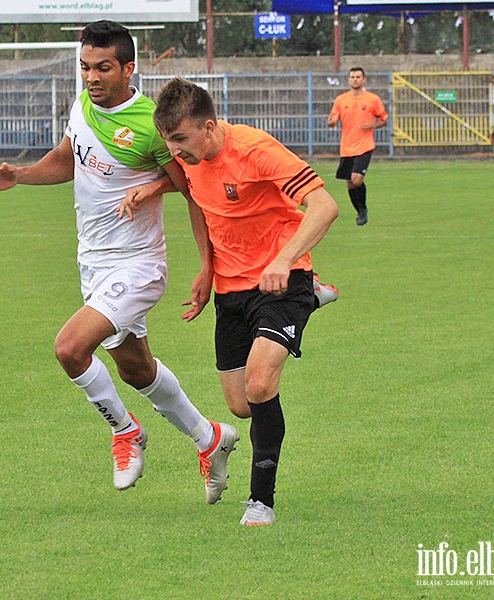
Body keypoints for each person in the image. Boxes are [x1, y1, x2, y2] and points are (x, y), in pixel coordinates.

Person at [0, 21, 238, 503]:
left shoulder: (149, 124)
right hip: (93, 261)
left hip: (138, 264)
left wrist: (207, 264)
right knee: (136, 371)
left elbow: (194, 189)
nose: (91, 77)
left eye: (102, 68)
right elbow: (67, 159)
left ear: (127, 68)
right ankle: (210, 439)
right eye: (84, 67)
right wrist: (22, 175)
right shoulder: (82, 106)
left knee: (70, 349)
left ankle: (125, 431)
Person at [127, 78, 339, 526]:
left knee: (261, 385)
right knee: (241, 404)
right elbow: (200, 202)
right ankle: (313, 301)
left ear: (209, 126)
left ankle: (261, 501)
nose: (175, 152)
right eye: (168, 142)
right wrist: (206, 267)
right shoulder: (190, 158)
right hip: (230, 288)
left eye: (181, 140)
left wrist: (284, 260)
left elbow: (323, 206)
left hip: (281, 280)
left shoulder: (256, 149)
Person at [327, 67, 388, 226]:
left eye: (358, 77)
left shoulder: (372, 99)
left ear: (364, 79)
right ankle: (360, 211)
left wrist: (374, 125)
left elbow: (383, 119)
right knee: (349, 183)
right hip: (347, 147)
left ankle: (363, 209)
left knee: (357, 178)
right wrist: (332, 122)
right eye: (352, 77)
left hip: (365, 145)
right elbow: (332, 120)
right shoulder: (341, 100)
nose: (355, 79)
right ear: (349, 80)